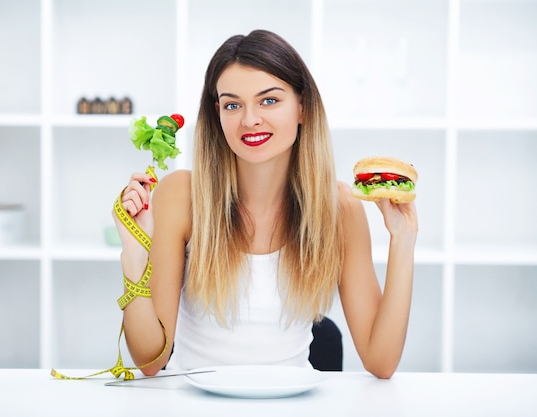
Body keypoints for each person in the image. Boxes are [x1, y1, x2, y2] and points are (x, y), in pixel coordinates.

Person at [114, 29, 418, 379]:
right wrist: (134, 256)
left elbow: (381, 362)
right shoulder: (181, 195)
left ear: (302, 107)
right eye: (232, 104)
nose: (249, 120)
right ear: (217, 114)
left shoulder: (340, 207)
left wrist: (403, 238)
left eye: (269, 100)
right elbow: (150, 361)